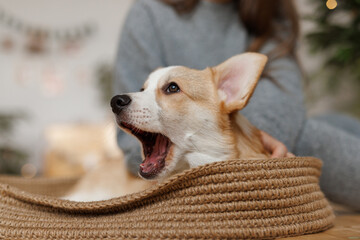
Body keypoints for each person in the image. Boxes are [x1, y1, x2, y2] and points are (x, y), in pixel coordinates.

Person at [114, 0, 360, 210]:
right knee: (309, 134)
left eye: (171, 88)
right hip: (259, 144)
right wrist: (241, 141)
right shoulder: (148, 14)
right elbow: (129, 145)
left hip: (267, 135)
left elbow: (284, 102)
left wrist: (238, 137)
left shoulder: (269, 12)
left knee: (331, 124)